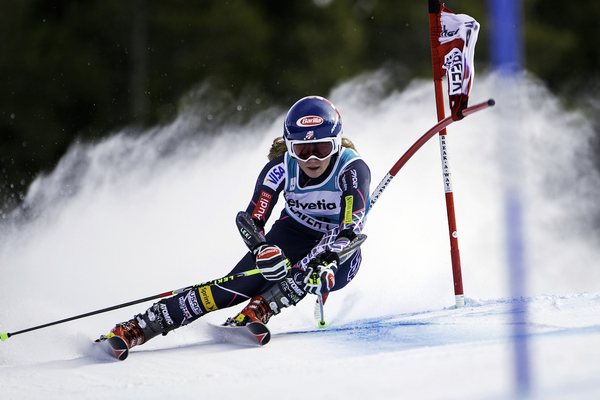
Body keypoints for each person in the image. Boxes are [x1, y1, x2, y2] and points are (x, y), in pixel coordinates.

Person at [98, 95, 371, 350]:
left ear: (336, 144)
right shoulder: (280, 168)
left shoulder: (352, 169)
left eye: (322, 149)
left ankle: (261, 308)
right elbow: (249, 219)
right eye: (302, 149)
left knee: (315, 267)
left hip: (341, 252)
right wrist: (261, 248)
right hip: (292, 233)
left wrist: (329, 258)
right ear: (290, 147)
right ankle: (138, 327)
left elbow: (350, 229)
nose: (312, 159)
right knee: (233, 288)